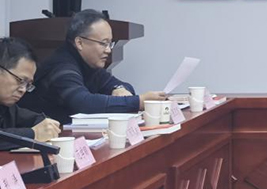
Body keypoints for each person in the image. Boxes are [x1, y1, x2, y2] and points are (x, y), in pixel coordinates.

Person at [20, 10, 167, 125]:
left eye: (110, 43)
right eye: (103, 43)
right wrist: (138, 102)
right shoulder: (62, 66)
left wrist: (118, 89)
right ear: (80, 43)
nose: (108, 50)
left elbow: (120, 85)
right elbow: (84, 103)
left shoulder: (88, 64)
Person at [0, 37, 62, 150]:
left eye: (28, 84)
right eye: (20, 80)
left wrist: (46, 127)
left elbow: (39, 119)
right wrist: (33, 134)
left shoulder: (7, 108)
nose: (23, 89)